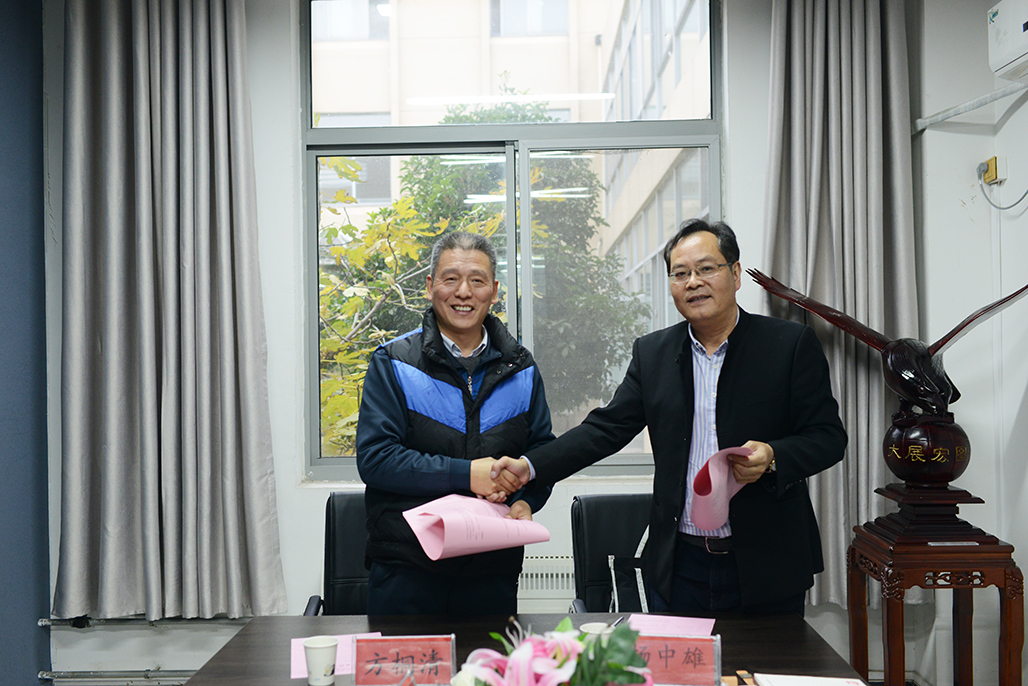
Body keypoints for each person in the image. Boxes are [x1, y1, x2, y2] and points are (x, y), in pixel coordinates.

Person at [491, 218, 847, 616]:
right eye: (680, 273)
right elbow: (605, 429)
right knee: (679, 658)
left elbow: (828, 437)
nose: (693, 282)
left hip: (767, 560)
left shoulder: (788, 344)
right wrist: (530, 466)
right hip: (681, 566)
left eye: (706, 268)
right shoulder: (653, 354)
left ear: (735, 274)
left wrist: (773, 456)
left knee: (765, 659)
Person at [356, 230, 554, 616]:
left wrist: (526, 501)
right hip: (406, 570)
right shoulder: (393, 362)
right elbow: (376, 460)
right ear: (431, 286)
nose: (463, 292)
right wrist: (467, 475)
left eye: (477, 280)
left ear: (493, 291)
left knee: (489, 659)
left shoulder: (521, 368)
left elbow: (543, 454)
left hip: (492, 570)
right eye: (451, 278)